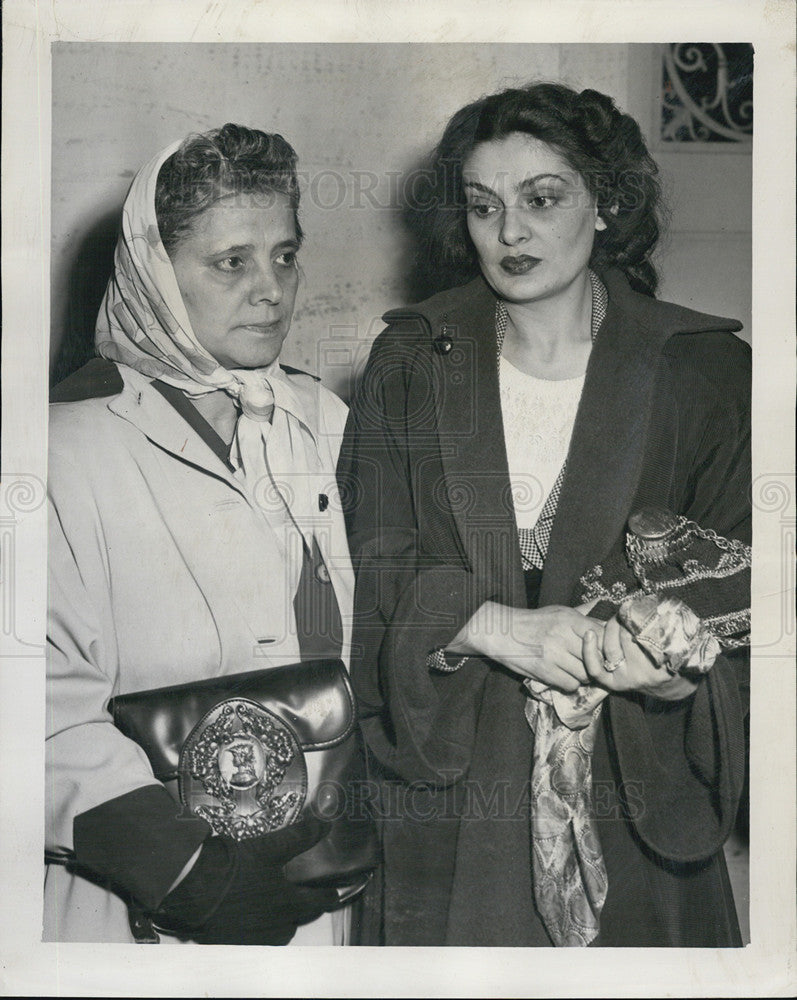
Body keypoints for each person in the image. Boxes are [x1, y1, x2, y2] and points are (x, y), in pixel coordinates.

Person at [338, 83, 750, 947]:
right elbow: (362, 574)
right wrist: (484, 623)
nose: (509, 233)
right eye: (483, 207)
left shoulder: (703, 373)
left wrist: (674, 669)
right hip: (451, 801)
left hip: (639, 793)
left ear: (607, 203)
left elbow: (755, 599)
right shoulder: (411, 360)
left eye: (542, 199)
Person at [45, 124, 357, 944]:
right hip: (139, 906)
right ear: (154, 271)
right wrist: (186, 874)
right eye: (232, 261)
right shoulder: (58, 450)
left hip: (316, 892)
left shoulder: (326, 423)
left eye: (284, 256)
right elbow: (34, 712)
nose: (270, 289)